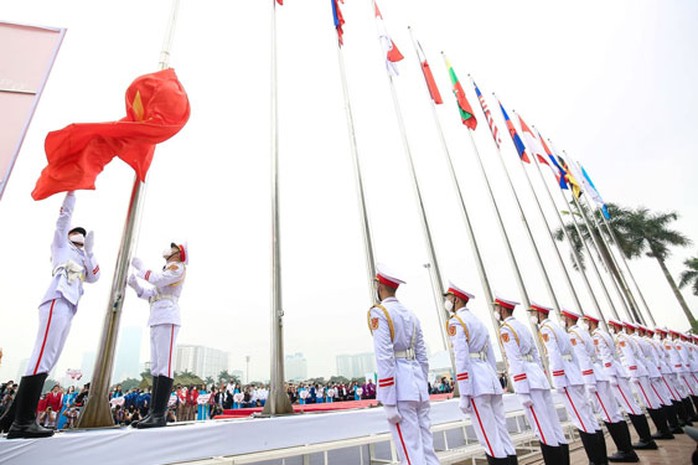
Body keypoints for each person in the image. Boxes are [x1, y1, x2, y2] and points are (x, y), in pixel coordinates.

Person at [1, 191, 100, 439]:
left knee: (49, 360)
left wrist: (89, 251)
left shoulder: (83, 255)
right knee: (42, 356)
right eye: (76, 236)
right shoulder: (61, 246)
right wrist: (71, 193)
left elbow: (95, 276)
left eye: (81, 236)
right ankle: (23, 421)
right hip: (56, 299)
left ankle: (11, 419)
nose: (78, 237)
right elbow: (63, 220)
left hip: (69, 305)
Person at [367, 264, 439, 465]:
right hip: (417, 384)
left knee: (410, 453)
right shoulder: (411, 314)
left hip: (400, 389)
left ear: (380, 287)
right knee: (427, 449)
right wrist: (422, 385)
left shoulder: (380, 313)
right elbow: (422, 356)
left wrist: (388, 400)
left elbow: (385, 357)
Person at [445, 282, 517, 465]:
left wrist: (464, 392)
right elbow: (490, 356)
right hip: (490, 380)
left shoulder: (456, 321)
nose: (447, 301)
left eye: (449, 298)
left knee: (490, 439)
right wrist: (494, 380)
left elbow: (461, 358)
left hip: (476, 383)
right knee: (503, 435)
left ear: (456, 300)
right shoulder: (479, 322)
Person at [495, 296, 569, 465]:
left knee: (543, 429)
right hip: (538, 377)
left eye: (497, 308)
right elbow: (535, 355)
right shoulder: (523, 326)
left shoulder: (506, 329)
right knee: (553, 425)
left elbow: (514, 360)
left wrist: (521, 389)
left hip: (528, 381)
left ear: (503, 310)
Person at [531, 304, 605, 464]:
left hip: (567, 377)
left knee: (581, 420)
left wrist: (558, 380)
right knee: (589, 418)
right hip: (574, 374)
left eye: (532, 312)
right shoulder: (558, 328)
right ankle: (600, 459)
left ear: (538, 313)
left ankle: (596, 460)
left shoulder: (546, 329)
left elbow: (554, 355)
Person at [562, 310, 637, 463]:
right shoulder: (584, 333)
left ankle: (623, 451)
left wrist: (588, 380)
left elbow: (583, 358)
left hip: (594, 376)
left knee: (609, 415)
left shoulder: (575, 335)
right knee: (613, 414)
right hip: (599, 373)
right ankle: (626, 449)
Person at [127, 241, 188, 428]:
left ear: (179, 253)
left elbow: (156, 280)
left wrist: (141, 268)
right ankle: (153, 413)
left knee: (164, 366)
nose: (168, 250)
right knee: (155, 367)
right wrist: (135, 285)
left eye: (173, 248)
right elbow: (151, 293)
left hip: (168, 316)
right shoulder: (166, 269)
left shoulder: (177, 267)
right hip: (156, 315)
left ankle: (160, 415)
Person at [601, 320, 658, 450]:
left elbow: (629, 355)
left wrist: (633, 372)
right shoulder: (626, 337)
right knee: (641, 403)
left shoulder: (622, 338)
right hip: (636, 370)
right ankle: (649, 437)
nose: (610, 328)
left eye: (611, 326)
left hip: (632, 371)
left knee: (634, 406)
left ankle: (647, 439)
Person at [618, 321, 673, 440]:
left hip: (638, 370)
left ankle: (663, 430)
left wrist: (633, 372)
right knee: (658, 398)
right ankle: (667, 427)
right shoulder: (640, 340)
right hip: (646, 368)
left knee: (650, 401)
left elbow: (630, 356)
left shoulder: (628, 339)